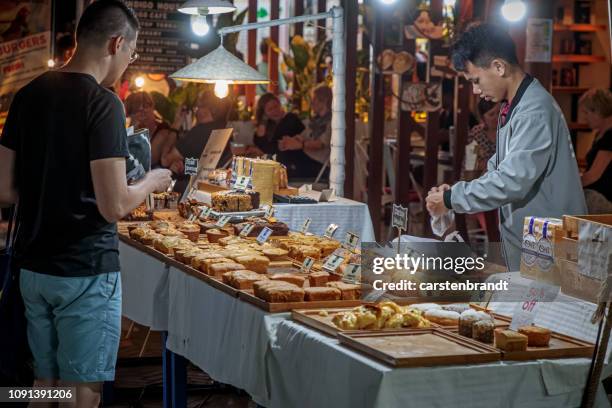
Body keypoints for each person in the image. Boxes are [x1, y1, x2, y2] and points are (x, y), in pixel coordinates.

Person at [0, 2, 172, 405]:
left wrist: (51, 187)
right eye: (131, 54)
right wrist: (152, 180)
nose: (129, 63)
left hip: (33, 269)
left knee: (43, 386)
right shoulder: (103, 102)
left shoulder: (27, 95)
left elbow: (4, 190)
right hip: (84, 271)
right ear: (116, 43)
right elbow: (114, 204)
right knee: (81, 394)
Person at [425, 24, 586, 271]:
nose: (476, 91)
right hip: (533, 243)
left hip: (550, 245)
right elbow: (498, 169)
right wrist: (455, 192)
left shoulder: (534, 110)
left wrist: (451, 198)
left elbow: (511, 181)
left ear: (499, 67)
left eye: (475, 81)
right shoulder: (512, 106)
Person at [278, 83, 332, 180]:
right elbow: (302, 136)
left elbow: (321, 144)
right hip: (308, 158)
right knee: (284, 156)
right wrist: (291, 141)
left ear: (324, 101)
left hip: (319, 163)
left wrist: (300, 145)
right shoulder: (315, 121)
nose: (311, 103)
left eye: (314, 99)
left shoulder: (331, 121)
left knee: (291, 118)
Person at [579, 88, 612, 213]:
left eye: (586, 113)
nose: (585, 118)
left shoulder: (610, 137)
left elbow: (593, 176)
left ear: (599, 111)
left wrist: (568, 185)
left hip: (604, 198)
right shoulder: (600, 134)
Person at [124, 91, 178, 168]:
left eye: (145, 108)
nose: (141, 114)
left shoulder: (163, 130)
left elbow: (148, 160)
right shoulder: (134, 130)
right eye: (136, 111)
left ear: (152, 107)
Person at [253, 93, 304, 159]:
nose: (275, 111)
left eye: (276, 106)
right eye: (270, 109)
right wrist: (264, 120)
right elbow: (259, 142)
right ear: (264, 113)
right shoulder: (268, 124)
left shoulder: (290, 119)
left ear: (280, 105)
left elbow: (272, 148)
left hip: (294, 162)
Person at [465, 99, 500, 173]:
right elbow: (470, 163)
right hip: (480, 178)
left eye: (498, 112)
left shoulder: (506, 131)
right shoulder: (477, 133)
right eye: (491, 114)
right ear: (483, 118)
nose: (496, 117)